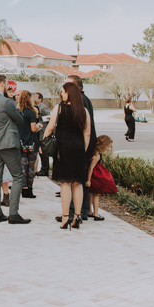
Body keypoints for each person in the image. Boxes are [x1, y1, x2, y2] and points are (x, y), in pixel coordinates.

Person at [42, 81, 91, 230]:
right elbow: (87, 133)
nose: (61, 94)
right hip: (78, 148)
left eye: (63, 92)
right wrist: (83, 149)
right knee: (77, 183)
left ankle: (65, 218)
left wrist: (43, 142)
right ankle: (77, 217)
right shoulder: (84, 111)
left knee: (65, 183)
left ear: (68, 93)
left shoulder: (60, 108)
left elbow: (50, 127)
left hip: (63, 148)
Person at [0, 75, 31, 225]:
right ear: (2, 84)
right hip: (8, 143)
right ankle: (13, 213)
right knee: (18, 176)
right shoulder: (6, 102)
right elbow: (20, 119)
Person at [68, 75, 97, 222]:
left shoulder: (80, 101)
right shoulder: (84, 99)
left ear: (76, 87)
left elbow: (83, 128)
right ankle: (83, 211)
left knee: (77, 180)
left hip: (82, 145)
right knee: (81, 179)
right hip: (84, 144)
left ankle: (75, 212)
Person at [15, 90, 41, 198]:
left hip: (20, 143)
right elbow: (33, 128)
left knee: (22, 166)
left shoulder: (17, 112)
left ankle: (23, 187)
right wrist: (39, 126)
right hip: (31, 143)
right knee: (31, 167)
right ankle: (29, 189)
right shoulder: (31, 113)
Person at [86, 135, 118, 220]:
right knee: (96, 194)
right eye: (108, 147)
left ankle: (89, 211)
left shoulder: (92, 152)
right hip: (94, 176)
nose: (108, 149)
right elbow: (91, 168)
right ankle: (96, 213)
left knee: (90, 194)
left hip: (92, 176)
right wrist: (88, 180)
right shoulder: (97, 156)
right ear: (103, 145)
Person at [35, 93, 51, 177]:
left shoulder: (43, 107)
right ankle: (42, 169)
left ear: (40, 99)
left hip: (43, 131)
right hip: (38, 132)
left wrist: (41, 122)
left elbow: (49, 118)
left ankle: (45, 169)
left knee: (43, 152)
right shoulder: (35, 107)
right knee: (40, 151)